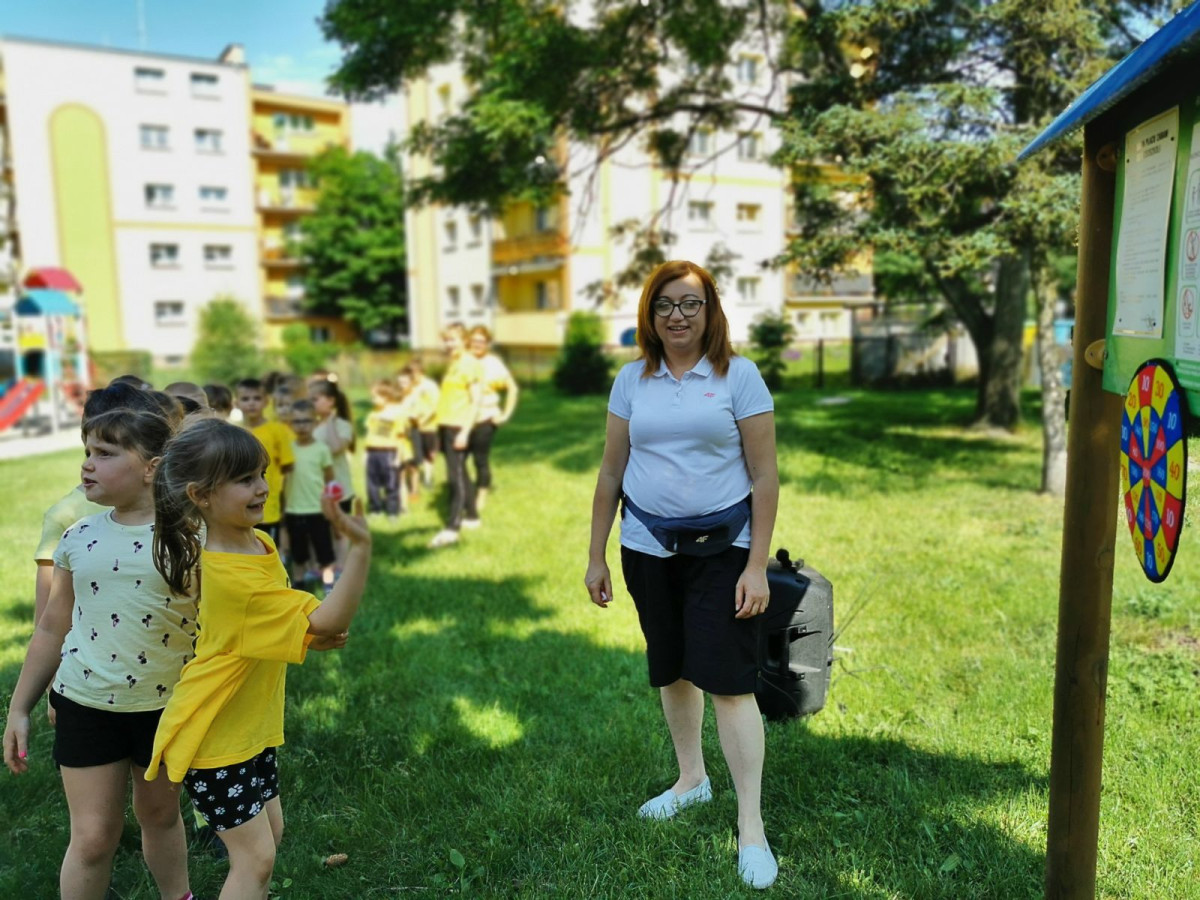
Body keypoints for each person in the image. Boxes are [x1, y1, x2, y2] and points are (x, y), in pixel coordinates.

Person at [584, 260, 780, 890]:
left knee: (728, 683)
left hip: (724, 553)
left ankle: (751, 826)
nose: (677, 316)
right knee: (670, 669)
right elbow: (611, 472)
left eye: (690, 305)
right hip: (647, 547)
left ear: (710, 310)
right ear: (650, 312)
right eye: (665, 304)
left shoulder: (738, 377)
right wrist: (597, 554)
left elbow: (765, 476)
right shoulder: (631, 380)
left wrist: (756, 565)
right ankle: (692, 780)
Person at [146, 417, 371, 899]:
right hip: (216, 736)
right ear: (201, 496)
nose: (262, 488)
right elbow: (323, 621)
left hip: (247, 729)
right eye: (245, 479)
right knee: (256, 857)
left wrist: (304, 632)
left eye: (262, 474)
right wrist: (360, 550)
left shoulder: (257, 543)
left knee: (270, 838)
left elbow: (286, 612)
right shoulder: (229, 575)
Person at [4, 408, 198, 900]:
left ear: (152, 467)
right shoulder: (78, 537)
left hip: (166, 710)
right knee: (92, 839)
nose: (88, 464)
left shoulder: (192, 541)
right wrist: (20, 706)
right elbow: (52, 625)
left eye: (106, 454)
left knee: (160, 816)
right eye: (87, 452)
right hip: (85, 704)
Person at [428, 324, 484, 548]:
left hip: (459, 427)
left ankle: (452, 528)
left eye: (453, 340)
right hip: (446, 425)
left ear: (464, 341)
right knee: (461, 473)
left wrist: (465, 431)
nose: (448, 344)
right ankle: (472, 516)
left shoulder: (470, 363)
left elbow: (476, 400)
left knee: (455, 477)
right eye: (446, 340)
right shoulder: (454, 363)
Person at [284, 399, 337, 590]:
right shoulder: (288, 448)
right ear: (290, 424)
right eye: (297, 421)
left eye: (306, 421)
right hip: (294, 510)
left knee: (324, 551)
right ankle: (299, 585)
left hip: (318, 509)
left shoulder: (322, 449)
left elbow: (330, 480)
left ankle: (328, 584)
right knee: (299, 553)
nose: (302, 426)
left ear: (315, 423)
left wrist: (332, 507)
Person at [235, 378, 294, 546]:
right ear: (236, 402)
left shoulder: (277, 430)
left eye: (257, 398)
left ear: (266, 401)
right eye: (246, 399)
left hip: (269, 501)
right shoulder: (234, 432)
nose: (251, 404)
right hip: (240, 500)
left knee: (267, 545)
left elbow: (287, 465)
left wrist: (283, 497)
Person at [466, 326, 519, 512]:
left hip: (485, 417)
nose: (477, 345)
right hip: (462, 419)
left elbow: (512, 388)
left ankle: (480, 496)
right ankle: (462, 494)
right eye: (473, 341)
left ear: (487, 344)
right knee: (458, 459)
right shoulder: (463, 360)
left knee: (480, 459)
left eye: (481, 341)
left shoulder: (493, 363)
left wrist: (504, 414)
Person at [310, 378, 357, 567]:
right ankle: (322, 566)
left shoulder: (342, 425)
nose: (311, 403)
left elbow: (336, 447)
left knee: (340, 530)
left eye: (315, 399)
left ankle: (342, 568)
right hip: (316, 489)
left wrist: (329, 420)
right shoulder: (311, 426)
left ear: (330, 400)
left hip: (339, 489)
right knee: (321, 530)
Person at [363, 380, 402, 518]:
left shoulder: (396, 413)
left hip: (389, 451)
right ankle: (375, 509)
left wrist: (399, 456)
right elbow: (369, 433)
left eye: (375, 397)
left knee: (391, 482)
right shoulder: (373, 414)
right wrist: (366, 453)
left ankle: (392, 510)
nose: (373, 400)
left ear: (386, 396)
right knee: (372, 483)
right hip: (373, 451)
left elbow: (400, 437)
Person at [405, 358, 440, 488]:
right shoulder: (411, 386)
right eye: (410, 372)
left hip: (429, 425)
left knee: (428, 453)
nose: (413, 374)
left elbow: (435, 405)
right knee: (414, 452)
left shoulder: (430, 385)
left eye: (414, 372)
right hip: (413, 425)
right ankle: (413, 478)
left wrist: (424, 419)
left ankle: (427, 478)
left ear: (421, 371)